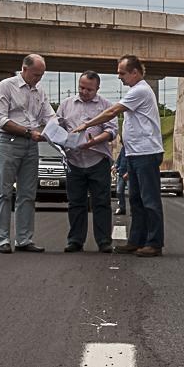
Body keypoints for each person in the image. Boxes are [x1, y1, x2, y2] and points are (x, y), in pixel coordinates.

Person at [73, 55, 164, 257]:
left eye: (122, 73)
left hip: (146, 153)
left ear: (134, 72)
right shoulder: (135, 90)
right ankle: (136, 240)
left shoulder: (140, 90)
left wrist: (87, 124)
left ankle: (154, 242)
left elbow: (112, 111)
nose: (119, 77)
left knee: (149, 200)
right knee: (136, 200)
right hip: (135, 153)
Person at [0, 54, 55, 254]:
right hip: (8, 143)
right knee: (3, 192)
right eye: (36, 74)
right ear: (24, 69)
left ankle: (24, 239)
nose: (39, 79)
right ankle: (2, 239)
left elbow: (50, 116)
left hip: (31, 145)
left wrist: (63, 129)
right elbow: (1, 120)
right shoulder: (6, 86)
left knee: (27, 194)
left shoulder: (40, 92)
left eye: (41, 75)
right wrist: (28, 132)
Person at [57, 71, 118, 253]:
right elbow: (58, 128)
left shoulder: (106, 106)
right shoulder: (66, 105)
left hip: (98, 160)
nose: (84, 92)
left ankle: (104, 241)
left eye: (89, 90)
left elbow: (112, 131)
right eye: (81, 88)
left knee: (101, 202)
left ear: (97, 89)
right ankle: (75, 240)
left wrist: (94, 141)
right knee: (76, 203)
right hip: (74, 161)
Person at [114, 138, 128, 215]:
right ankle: (122, 208)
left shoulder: (131, 148)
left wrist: (128, 172)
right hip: (121, 173)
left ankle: (134, 210)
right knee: (119, 191)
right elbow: (119, 160)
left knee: (132, 193)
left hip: (129, 173)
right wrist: (115, 166)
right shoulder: (123, 149)